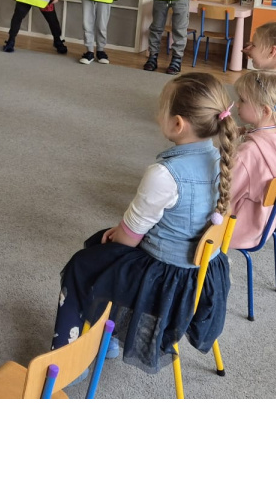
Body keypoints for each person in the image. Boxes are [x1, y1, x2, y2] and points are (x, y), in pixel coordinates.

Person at [52, 72, 236, 373]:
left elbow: (128, 239)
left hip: (165, 284)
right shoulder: (223, 160)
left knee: (82, 265)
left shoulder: (164, 175)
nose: (156, 113)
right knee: (102, 249)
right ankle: (109, 334)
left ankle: (67, 362)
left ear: (178, 124)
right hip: (203, 278)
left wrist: (117, 233)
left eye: (161, 108)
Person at [227, 69, 276, 250]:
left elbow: (223, 196)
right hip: (265, 224)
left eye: (242, 100)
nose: (237, 104)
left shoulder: (249, 153)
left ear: (265, 110)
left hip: (235, 229)